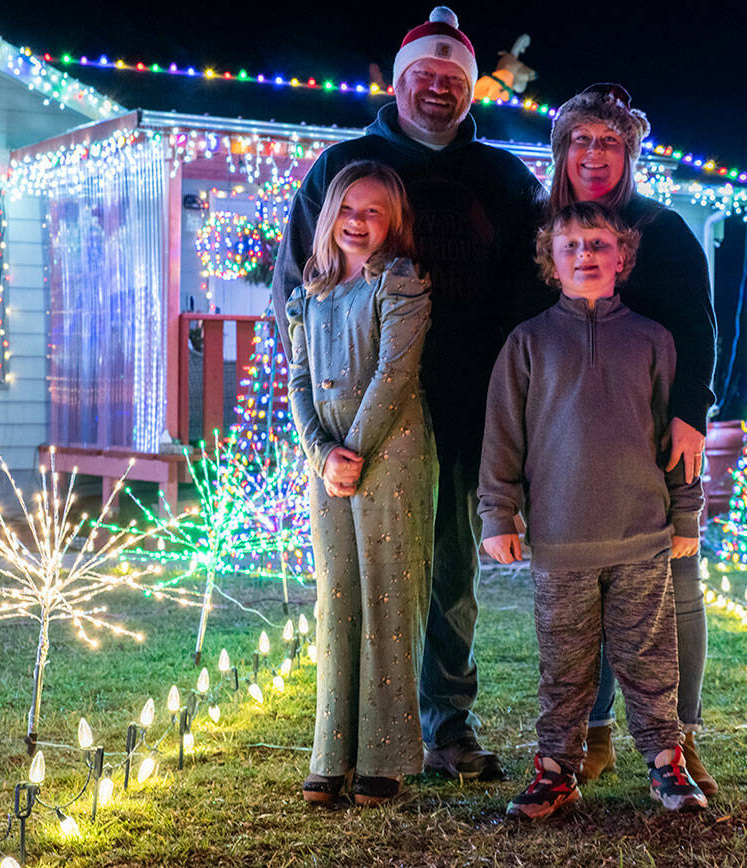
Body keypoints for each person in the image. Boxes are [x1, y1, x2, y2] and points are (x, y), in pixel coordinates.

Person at [272, 6, 546, 781]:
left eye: (452, 78)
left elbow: (530, 292)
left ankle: (445, 725)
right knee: (359, 577)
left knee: (451, 570)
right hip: (356, 413)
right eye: (423, 75)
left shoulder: (502, 178)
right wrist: (315, 415)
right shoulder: (344, 166)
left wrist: (520, 397)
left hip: (465, 401)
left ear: (470, 90)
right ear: (399, 83)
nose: (436, 89)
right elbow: (297, 283)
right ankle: (358, 734)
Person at [479, 202, 707, 818]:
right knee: (565, 666)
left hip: (642, 538)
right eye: (571, 245)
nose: (586, 254)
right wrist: (498, 515)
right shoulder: (526, 344)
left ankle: (666, 763)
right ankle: (556, 770)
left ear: (622, 256)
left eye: (599, 244)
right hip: (560, 544)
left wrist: (685, 514)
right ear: (550, 263)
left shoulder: (653, 340)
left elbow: (677, 441)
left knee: (649, 660)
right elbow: (502, 437)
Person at [548, 83, 719, 795]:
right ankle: (593, 735)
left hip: (656, 439)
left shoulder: (665, 229)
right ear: (563, 150)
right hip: (570, 444)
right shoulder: (544, 228)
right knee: (580, 597)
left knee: (675, 588)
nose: (594, 154)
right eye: (581, 140)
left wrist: (691, 412)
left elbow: (702, 328)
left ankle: (677, 738)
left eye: (609, 142)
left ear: (629, 154)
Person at [286, 161, 434, 806]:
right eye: (348, 208)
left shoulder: (399, 286)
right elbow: (295, 380)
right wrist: (322, 452)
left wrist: (354, 450)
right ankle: (332, 751)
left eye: (374, 212)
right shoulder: (310, 294)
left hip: (391, 453)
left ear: (393, 222)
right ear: (329, 217)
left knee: (388, 595)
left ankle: (386, 753)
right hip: (328, 464)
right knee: (337, 595)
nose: (357, 221)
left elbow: (394, 375)